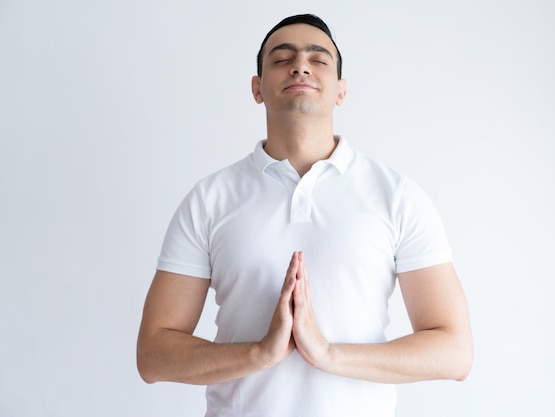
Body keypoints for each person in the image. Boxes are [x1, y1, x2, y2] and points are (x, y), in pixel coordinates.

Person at [137, 13, 473, 417]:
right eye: (282, 58)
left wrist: (329, 354)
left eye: (319, 59)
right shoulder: (209, 199)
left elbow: (455, 351)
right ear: (257, 88)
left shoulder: (396, 196)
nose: (300, 65)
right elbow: (153, 355)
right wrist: (260, 353)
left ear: (341, 91)